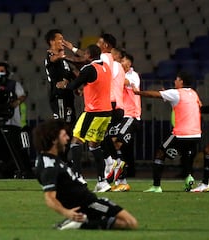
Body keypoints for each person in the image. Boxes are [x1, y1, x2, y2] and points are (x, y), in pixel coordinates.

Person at [32, 119, 138, 230]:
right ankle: (80, 223)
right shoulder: (49, 165)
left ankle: (83, 221)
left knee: (124, 222)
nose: (67, 139)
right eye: (63, 135)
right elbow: (49, 197)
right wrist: (67, 213)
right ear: (54, 140)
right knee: (130, 223)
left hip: (90, 201)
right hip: (88, 204)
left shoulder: (49, 160)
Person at [56, 44, 113, 192]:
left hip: (93, 112)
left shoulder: (89, 69)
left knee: (76, 140)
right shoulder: (106, 67)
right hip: (106, 112)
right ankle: (102, 182)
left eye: (85, 54)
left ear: (88, 55)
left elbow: (74, 84)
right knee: (95, 145)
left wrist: (65, 84)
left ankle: (78, 176)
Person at [134, 71, 202, 192]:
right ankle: (189, 178)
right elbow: (199, 105)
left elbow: (154, 95)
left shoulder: (176, 93)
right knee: (186, 156)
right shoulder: (193, 93)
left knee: (160, 153)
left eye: (176, 79)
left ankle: (156, 186)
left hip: (181, 133)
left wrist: (137, 92)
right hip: (196, 134)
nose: (175, 81)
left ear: (181, 81)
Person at [0, 62, 33, 178]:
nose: (0, 73)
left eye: (2, 70)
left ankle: (22, 171)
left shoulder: (14, 85)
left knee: (15, 149)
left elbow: (22, 96)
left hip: (13, 123)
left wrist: (14, 103)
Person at [105, 52, 142, 192]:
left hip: (131, 116)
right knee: (113, 142)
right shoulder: (118, 74)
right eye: (121, 60)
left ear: (130, 63)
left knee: (118, 142)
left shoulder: (133, 75)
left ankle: (119, 173)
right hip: (121, 116)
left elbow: (127, 83)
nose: (123, 63)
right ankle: (121, 181)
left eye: (125, 60)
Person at [44, 29, 78, 125]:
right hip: (59, 96)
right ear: (52, 41)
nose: (63, 42)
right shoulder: (51, 55)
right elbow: (52, 59)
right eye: (60, 39)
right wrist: (60, 55)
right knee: (61, 124)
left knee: (71, 124)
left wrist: (77, 87)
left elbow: (72, 74)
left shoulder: (64, 60)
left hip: (68, 95)